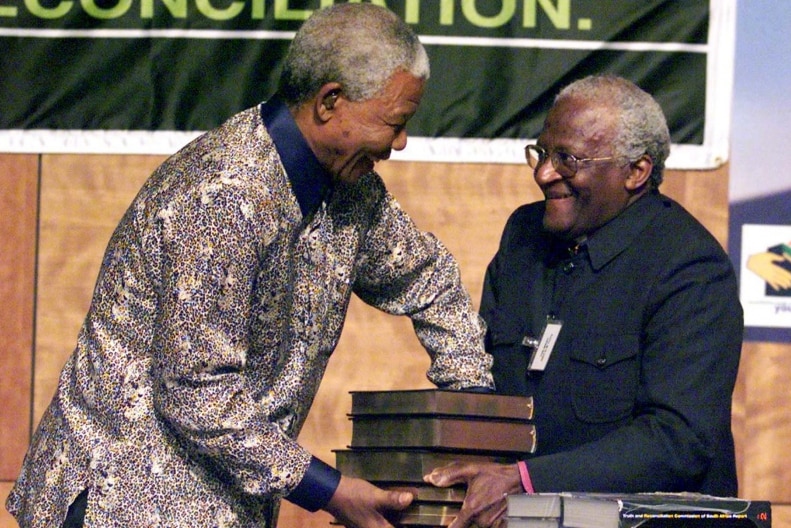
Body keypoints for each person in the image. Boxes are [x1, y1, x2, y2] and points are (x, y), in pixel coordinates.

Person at [6, 4, 495, 528]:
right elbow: (198, 392)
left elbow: (429, 279)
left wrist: (471, 419)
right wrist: (329, 491)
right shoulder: (221, 194)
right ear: (330, 101)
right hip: (123, 501)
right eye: (394, 123)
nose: (399, 144)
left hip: (220, 503)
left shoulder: (351, 190)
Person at [423, 75, 743, 527]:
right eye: (542, 152)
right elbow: (484, 379)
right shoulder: (523, 235)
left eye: (568, 159)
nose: (544, 173)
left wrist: (527, 481)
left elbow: (678, 439)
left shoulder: (690, 268)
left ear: (636, 171)